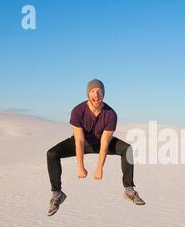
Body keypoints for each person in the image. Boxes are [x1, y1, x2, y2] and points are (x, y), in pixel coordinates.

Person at [46, 79, 145, 216]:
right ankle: (57, 194)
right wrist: (80, 166)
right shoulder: (78, 111)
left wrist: (99, 167)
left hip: (100, 143)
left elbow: (105, 143)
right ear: (88, 94)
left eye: (99, 91)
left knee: (127, 149)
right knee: (52, 154)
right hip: (82, 143)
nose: (96, 94)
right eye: (93, 91)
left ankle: (129, 190)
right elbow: (79, 141)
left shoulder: (110, 114)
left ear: (103, 94)